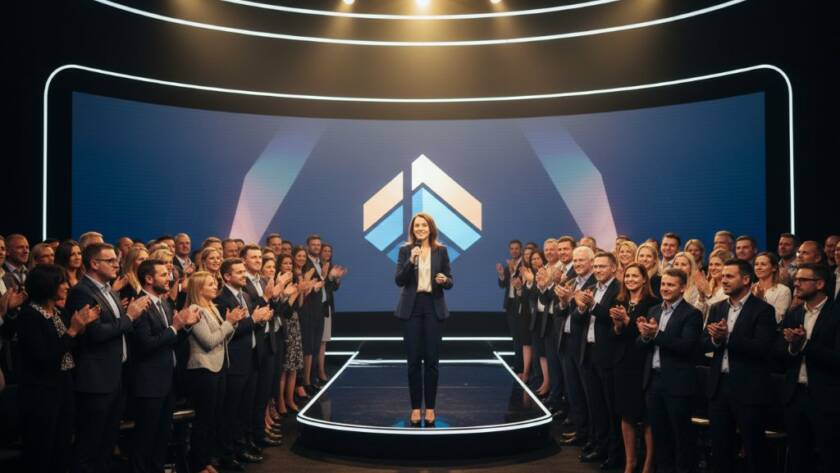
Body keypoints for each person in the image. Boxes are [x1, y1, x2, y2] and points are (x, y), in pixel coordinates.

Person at [64, 243, 150, 473]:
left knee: (107, 441)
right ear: (94, 263)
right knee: (89, 443)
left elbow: (119, 327)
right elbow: (96, 334)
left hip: (116, 376)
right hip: (95, 380)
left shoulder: (108, 289)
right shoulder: (82, 292)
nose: (117, 264)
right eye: (110, 260)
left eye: (116, 260)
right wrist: (130, 316)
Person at [17, 264, 99, 473]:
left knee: (62, 446)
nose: (65, 286)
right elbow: (44, 356)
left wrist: (80, 329)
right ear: (47, 286)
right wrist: (73, 330)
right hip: (41, 391)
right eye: (60, 282)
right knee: (43, 449)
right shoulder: (29, 316)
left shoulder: (57, 313)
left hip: (64, 385)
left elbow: (68, 348)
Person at [702, 259, 776, 473]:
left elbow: (762, 347)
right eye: (722, 276)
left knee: (754, 450)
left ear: (745, 279)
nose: (723, 280)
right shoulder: (716, 308)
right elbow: (702, 343)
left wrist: (727, 337)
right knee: (720, 448)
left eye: (729, 276)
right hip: (718, 387)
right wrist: (715, 340)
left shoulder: (763, 310)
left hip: (748, 389)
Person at [128, 259, 200, 473]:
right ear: (149, 279)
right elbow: (146, 345)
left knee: (162, 436)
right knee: (144, 439)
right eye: (163, 274)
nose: (169, 278)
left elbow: (171, 339)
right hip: (148, 383)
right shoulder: (141, 305)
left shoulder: (165, 303)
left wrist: (185, 327)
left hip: (167, 381)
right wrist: (175, 327)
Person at [636, 268, 702, 473]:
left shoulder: (692, 314)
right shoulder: (654, 311)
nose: (665, 288)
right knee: (659, 434)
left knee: (681, 436)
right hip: (654, 381)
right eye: (664, 284)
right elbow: (641, 345)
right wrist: (645, 336)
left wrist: (656, 334)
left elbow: (686, 347)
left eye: (671, 285)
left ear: (682, 288)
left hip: (678, 384)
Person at [777, 263, 839, 473]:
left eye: (803, 280)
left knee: (829, 456)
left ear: (820, 283)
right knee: (797, 455)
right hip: (795, 396)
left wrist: (805, 345)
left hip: (827, 397)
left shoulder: (836, 313)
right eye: (796, 279)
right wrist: (793, 348)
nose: (797, 283)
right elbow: (777, 353)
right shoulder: (794, 313)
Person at [395, 212, 453, 427]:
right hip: (411, 309)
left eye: (423, 225)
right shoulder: (405, 251)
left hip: (433, 307)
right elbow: (399, 280)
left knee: (431, 361)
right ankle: (414, 408)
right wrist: (411, 261)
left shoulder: (441, 251)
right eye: (416, 225)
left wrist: (444, 280)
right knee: (412, 362)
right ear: (412, 229)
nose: (420, 228)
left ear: (430, 228)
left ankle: (430, 408)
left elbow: (450, 280)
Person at [214, 257, 272, 468]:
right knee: (231, 412)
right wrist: (253, 320)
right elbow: (229, 331)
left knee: (245, 409)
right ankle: (228, 455)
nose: (243, 275)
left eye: (243, 272)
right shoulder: (222, 299)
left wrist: (261, 319)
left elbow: (248, 325)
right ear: (227, 276)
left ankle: (241, 447)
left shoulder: (246, 295)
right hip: (235, 363)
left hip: (252, 359)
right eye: (239, 272)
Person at [185, 271, 244, 473]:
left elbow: (223, 338)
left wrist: (231, 323)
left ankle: (207, 460)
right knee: (203, 420)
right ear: (199, 289)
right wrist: (229, 323)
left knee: (213, 419)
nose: (215, 286)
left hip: (218, 367)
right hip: (203, 370)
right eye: (210, 284)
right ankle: (198, 464)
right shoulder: (195, 309)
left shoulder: (211, 308)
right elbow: (209, 342)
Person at [574, 251, 622, 468]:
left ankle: (614, 453)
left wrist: (592, 305)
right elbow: (578, 320)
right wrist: (581, 308)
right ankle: (599, 445)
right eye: (597, 266)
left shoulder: (619, 290)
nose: (598, 270)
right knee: (595, 406)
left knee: (611, 408)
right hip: (589, 353)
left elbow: (611, 315)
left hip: (608, 357)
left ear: (613, 268)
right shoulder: (591, 289)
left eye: (603, 266)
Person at [610, 263, 659, 473]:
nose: (630, 279)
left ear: (644, 279)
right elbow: (616, 335)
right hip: (622, 363)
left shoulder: (653, 303)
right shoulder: (619, 300)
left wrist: (627, 321)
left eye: (634, 276)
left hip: (643, 363)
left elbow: (644, 335)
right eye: (627, 275)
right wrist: (618, 325)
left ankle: (648, 463)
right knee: (626, 414)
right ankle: (630, 462)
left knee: (646, 416)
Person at [239, 244, 283, 448]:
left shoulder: (264, 280)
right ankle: (249, 438)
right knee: (251, 396)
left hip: (268, 341)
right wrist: (266, 297)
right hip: (252, 346)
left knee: (263, 393)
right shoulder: (243, 282)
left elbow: (273, 309)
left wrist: (277, 296)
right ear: (244, 260)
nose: (258, 260)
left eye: (259, 257)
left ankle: (259, 433)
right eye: (253, 257)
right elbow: (252, 309)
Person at [553, 245, 596, 449]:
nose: (578, 264)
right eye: (576, 261)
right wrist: (563, 301)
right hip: (567, 342)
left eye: (582, 261)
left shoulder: (595, 285)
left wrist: (573, 300)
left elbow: (585, 315)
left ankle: (592, 436)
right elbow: (559, 312)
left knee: (588, 393)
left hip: (584, 345)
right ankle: (581, 431)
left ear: (591, 263)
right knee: (574, 391)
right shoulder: (569, 282)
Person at [520, 251, 551, 398]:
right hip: (536, 317)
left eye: (538, 258)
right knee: (540, 352)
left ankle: (548, 383)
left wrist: (533, 281)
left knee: (546, 352)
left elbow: (543, 295)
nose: (534, 261)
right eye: (533, 259)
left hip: (548, 317)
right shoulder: (530, 274)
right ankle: (544, 381)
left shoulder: (546, 272)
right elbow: (528, 297)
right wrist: (530, 282)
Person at [301, 235, 327, 394]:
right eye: (313, 245)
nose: (317, 247)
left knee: (316, 346)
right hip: (308, 310)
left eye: (318, 245)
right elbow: (305, 287)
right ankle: (306, 381)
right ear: (308, 246)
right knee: (309, 347)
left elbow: (324, 285)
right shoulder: (307, 264)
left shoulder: (320, 263)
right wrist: (313, 286)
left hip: (320, 309)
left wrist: (328, 277)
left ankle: (313, 378)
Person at [497, 240, 525, 375]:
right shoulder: (508, 266)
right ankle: (518, 365)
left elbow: (523, 284)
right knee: (515, 337)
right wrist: (502, 274)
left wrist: (514, 271)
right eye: (512, 249)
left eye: (516, 248)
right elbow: (503, 285)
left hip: (521, 305)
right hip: (510, 305)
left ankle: (521, 368)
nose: (514, 251)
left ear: (521, 250)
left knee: (521, 337)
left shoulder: (524, 265)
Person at [751, 252, 792, 323]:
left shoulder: (783, 291)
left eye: (763, 264)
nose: (758, 267)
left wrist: (760, 300)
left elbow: (777, 319)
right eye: (756, 264)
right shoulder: (749, 288)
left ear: (774, 268)